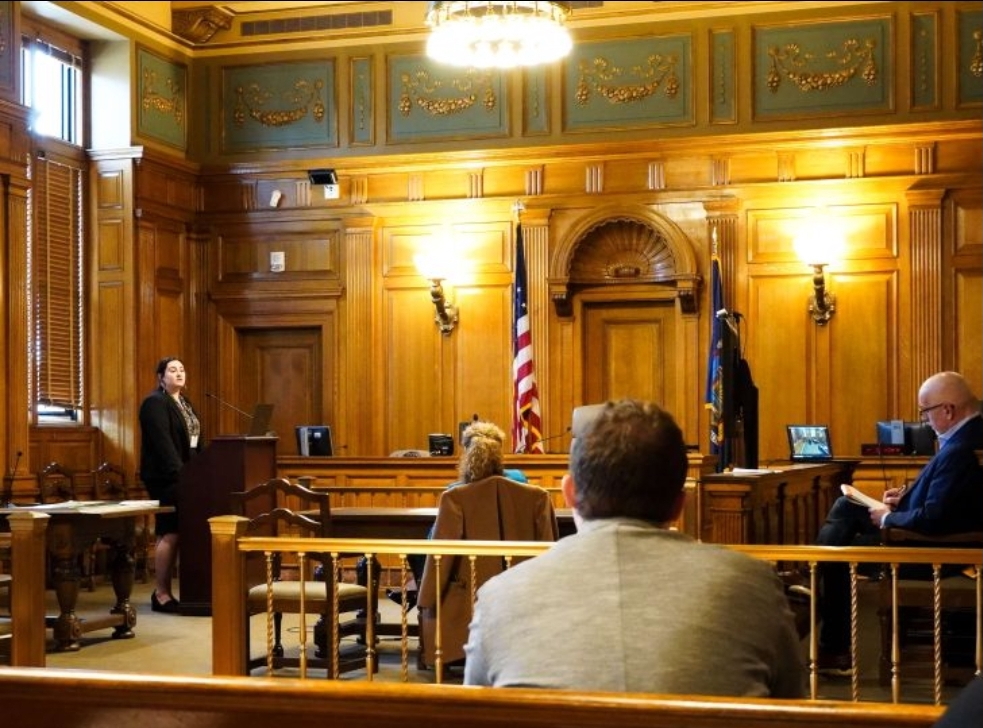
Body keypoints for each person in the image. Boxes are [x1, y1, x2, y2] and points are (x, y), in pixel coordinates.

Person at [463, 398, 806, 697]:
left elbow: (475, 716)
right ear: (679, 504)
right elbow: (790, 708)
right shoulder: (754, 586)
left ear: (569, 494)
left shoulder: (499, 595)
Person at [813, 371, 983, 675]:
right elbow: (952, 502)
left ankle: (832, 642)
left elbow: (935, 518)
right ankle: (821, 578)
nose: (925, 422)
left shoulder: (959, 449)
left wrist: (890, 517)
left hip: (933, 552)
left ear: (947, 410)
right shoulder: (969, 437)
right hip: (938, 538)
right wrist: (903, 501)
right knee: (846, 508)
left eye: (925, 412)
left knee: (840, 551)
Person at [386, 420, 527, 609]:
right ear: (499, 452)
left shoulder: (455, 492)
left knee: (419, 549)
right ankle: (415, 590)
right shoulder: (520, 480)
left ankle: (419, 592)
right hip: (514, 566)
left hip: (465, 577)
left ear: (467, 453)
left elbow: (438, 540)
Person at [138, 356, 202, 613]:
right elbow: (164, 445)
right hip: (166, 478)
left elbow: (196, 441)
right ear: (161, 377)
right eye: (172, 370)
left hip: (188, 476)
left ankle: (171, 590)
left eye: (182, 369)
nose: (179, 373)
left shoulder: (185, 403)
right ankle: (161, 593)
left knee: (179, 531)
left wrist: (204, 470)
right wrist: (182, 475)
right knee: (170, 530)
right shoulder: (154, 403)